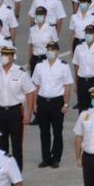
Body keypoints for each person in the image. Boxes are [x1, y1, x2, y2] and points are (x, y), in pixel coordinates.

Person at [0, 44, 34, 163]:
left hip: (15, 111)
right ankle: (3, 170)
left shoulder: (21, 72)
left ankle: (17, 172)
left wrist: (28, 114)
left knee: (17, 144)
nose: (3, 57)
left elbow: (30, 93)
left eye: (6, 54)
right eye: (2, 54)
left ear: (12, 57)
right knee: (1, 145)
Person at [29, 40, 73, 168]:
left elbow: (67, 86)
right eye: (48, 49)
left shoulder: (63, 66)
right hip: (43, 101)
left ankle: (56, 158)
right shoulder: (39, 66)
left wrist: (66, 104)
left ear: (57, 51)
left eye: (53, 49)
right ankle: (46, 158)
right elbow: (36, 86)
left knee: (57, 132)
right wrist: (35, 104)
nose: (50, 52)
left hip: (57, 102)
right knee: (44, 132)